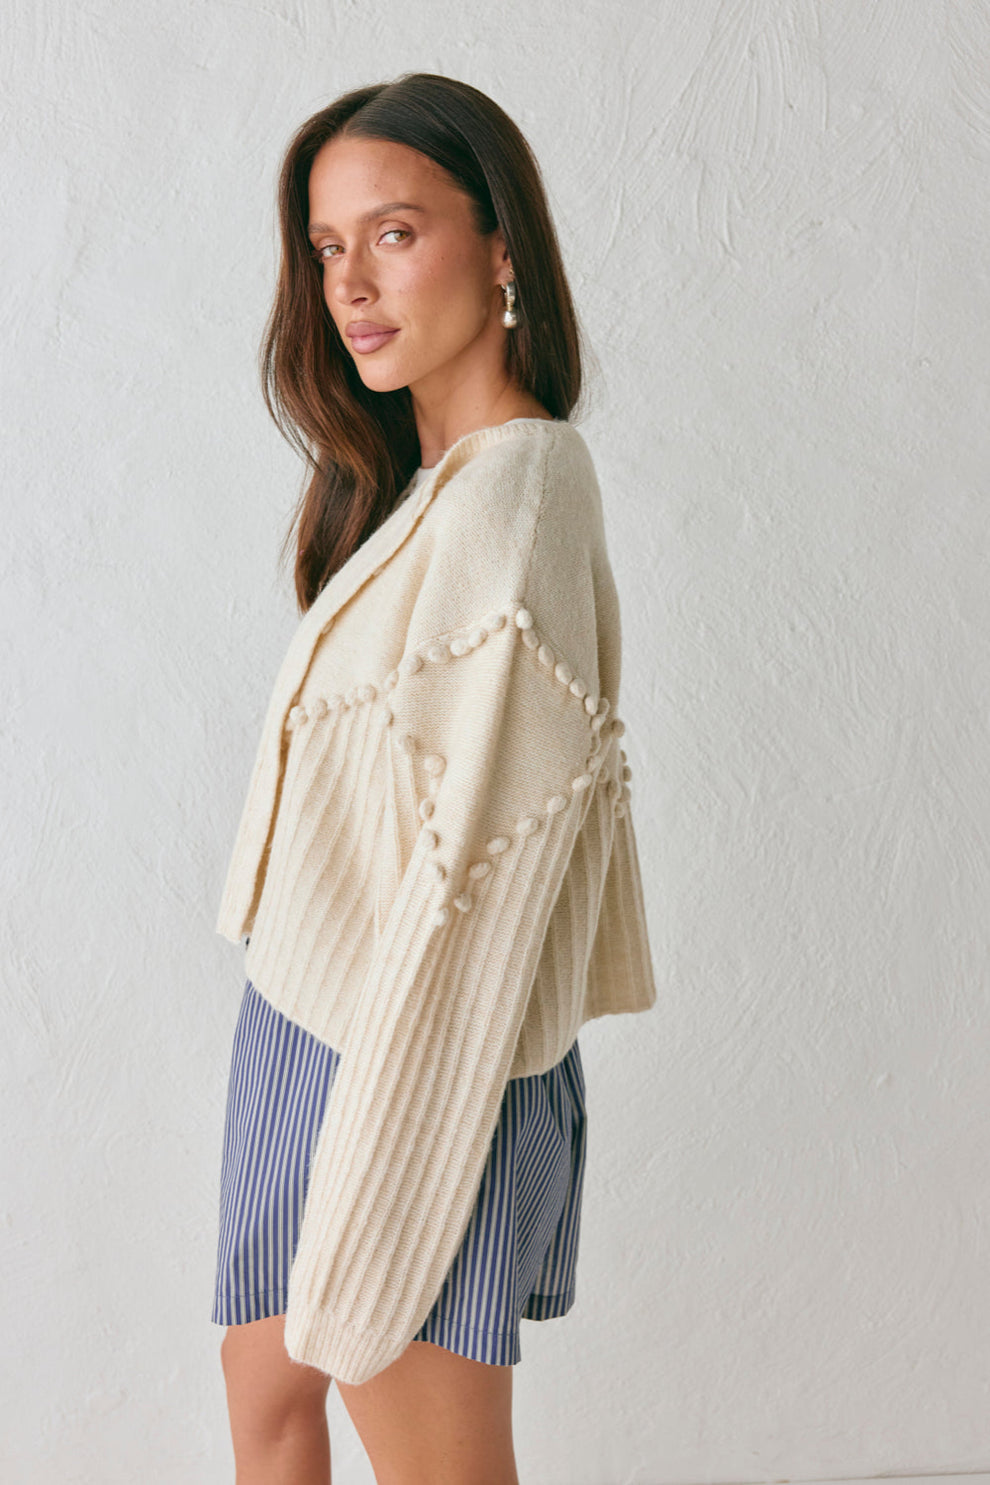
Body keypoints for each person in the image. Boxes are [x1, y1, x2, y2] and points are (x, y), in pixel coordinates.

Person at [210, 71, 657, 1485]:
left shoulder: (517, 495)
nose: (349, 283)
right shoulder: (429, 489)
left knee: (432, 1462)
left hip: (415, 1052)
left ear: (501, 244)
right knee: (269, 1404)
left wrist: (393, 1156)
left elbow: (476, 876)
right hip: (309, 1019)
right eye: (327, 246)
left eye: (394, 233)